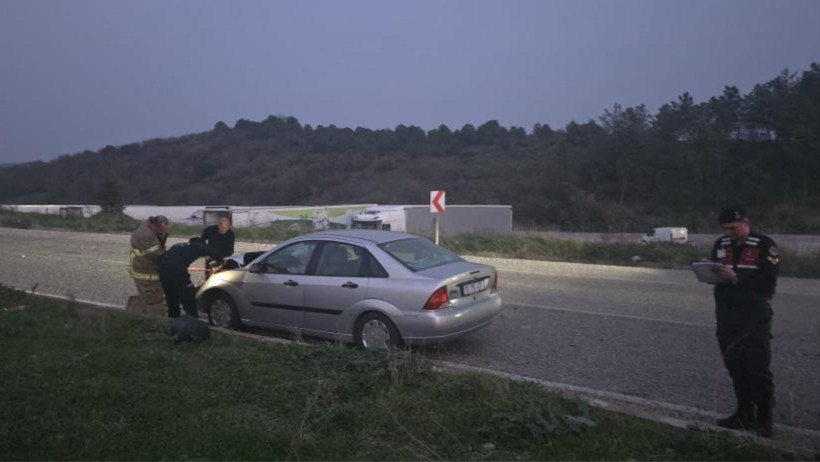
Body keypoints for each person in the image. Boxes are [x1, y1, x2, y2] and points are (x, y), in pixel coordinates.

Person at [710, 205, 779, 438]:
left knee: (757, 369)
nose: (729, 232)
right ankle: (743, 414)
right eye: (725, 228)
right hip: (727, 315)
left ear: (746, 222)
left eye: (733, 228)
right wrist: (707, 272)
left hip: (754, 316)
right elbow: (715, 272)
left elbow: (768, 282)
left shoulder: (764, 245)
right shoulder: (721, 244)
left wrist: (736, 277)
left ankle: (764, 420)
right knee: (735, 367)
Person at [158, 237, 225, 318]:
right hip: (177, 272)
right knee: (189, 297)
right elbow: (214, 252)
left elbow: (162, 257)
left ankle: (172, 321)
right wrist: (220, 261)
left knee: (172, 299)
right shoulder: (197, 246)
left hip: (163, 272)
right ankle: (193, 320)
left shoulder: (177, 245)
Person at [128, 215, 169, 315]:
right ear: (155, 225)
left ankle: (141, 314)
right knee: (153, 300)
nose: (162, 232)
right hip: (145, 273)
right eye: (160, 230)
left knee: (148, 297)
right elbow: (157, 255)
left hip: (147, 269)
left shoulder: (150, 228)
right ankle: (156, 322)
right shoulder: (145, 236)